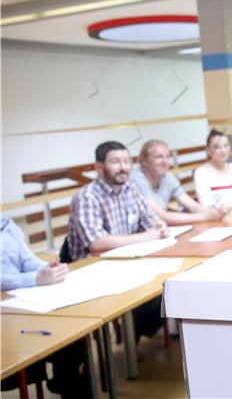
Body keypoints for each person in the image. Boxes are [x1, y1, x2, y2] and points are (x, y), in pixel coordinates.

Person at [65, 141, 168, 338]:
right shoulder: (87, 197)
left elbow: (150, 220)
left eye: (126, 161)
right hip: (93, 271)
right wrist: (146, 236)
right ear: (99, 167)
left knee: (163, 288)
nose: (123, 167)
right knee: (148, 294)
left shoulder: (130, 189)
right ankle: (130, 338)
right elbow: (97, 243)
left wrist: (158, 225)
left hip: (127, 262)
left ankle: (135, 335)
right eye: (115, 162)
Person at [1, 217, 91, 398]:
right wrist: (36, 278)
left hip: (20, 302)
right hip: (6, 318)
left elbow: (26, 260)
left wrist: (48, 269)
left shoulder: (5, 223)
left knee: (70, 331)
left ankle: (70, 387)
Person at [130, 139, 226, 224]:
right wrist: (205, 217)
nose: (165, 162)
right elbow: (161, 216)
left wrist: (215, 212)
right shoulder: (136, 179)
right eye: (159, 157)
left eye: (168, 156)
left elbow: (193, 206)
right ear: (144, 161)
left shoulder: (167, 177)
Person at [193, 129, 232, 211]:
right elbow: (207, 205)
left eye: (226, 145)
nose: (223, 150)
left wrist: (231, 205)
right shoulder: (201, 173)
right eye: (217, 147)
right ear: (208, 150)